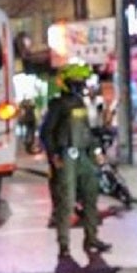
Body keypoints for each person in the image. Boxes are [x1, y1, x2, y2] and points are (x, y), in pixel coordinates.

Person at [41, 62, 111, 260]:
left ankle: (92, 238)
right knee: (67, 201)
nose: (79, 85)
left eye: (81, 82)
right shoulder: (58, 104)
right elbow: (47, 132)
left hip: (85, 155)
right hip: (67, 155)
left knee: (91, 198)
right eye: (75, 82)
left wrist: (97, 150)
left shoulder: (85, 104)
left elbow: (89, 131)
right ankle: (64, 245)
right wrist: (54, 155)